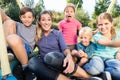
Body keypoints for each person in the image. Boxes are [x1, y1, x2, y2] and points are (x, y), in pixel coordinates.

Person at [28, 10, 102, 80]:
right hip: (47, 66)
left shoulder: (57, 33)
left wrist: (69, 57)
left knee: (51, 57)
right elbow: (29, 47)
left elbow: (65, 48)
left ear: (51, 21)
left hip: (59, 61)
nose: (46, 22)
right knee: (32, 62)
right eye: (43, 20)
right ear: (39, 22)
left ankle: (90, 77)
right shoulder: (36, 35)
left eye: (49, 19)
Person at [1, 7, 36, 80]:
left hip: (25, 49)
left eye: (29, 17)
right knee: (9, 22)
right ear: (20, 18)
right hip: (14, 49)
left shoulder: (35, 28)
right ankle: (8, 52)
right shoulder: (18, 25)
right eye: (24, 17)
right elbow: (4, 17)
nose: (26, 19)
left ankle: (26, 68)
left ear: (33, 18)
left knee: (13, 38)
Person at [82, 12, 120, 80]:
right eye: (100, 25)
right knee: (95, 68)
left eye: (106, 23)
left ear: (111, 23)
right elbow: (107, 43)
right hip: (98, 57)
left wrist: (118, 52)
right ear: (97, 26)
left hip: (111, 58)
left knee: (118, 71)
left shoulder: (118, 33)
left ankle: (105, 74)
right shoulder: (97, 36)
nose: (103, 27)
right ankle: (85, 69)